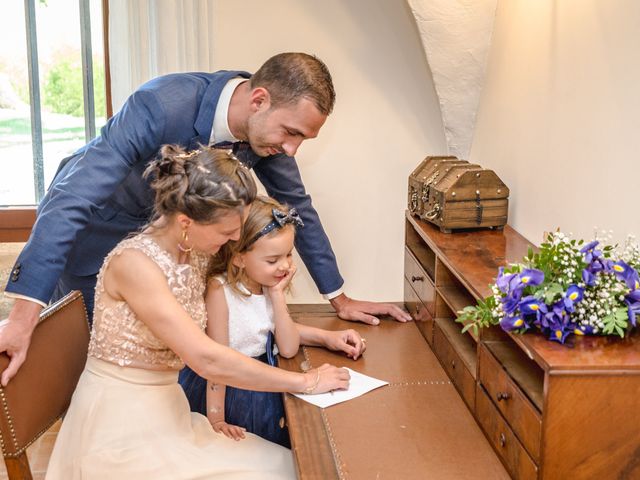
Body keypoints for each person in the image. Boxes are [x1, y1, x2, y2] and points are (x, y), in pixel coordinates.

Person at [0, 51, 410, 387]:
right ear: (259, 100)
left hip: (169, 257)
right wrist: (22, 317)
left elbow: (296, 206)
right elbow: (71, 196)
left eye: (302, 138)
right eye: (291, 133)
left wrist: (338, 297)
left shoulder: (266, 138)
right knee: (97, 368)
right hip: (98, 237)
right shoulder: (162, 105)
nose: (293, 148)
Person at [45, 145, 351, 479]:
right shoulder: (134, 265)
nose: (236, 238)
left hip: (169, 412)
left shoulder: (196, 252)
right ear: (186, 222)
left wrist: (323, 335)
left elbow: (250, 315)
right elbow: (208, 360)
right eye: (227, 232)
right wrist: (305, 382)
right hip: (121, 431)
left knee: (291, 465)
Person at [180, 196, 367, 448]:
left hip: (265, 374)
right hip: (233, 387)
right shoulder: (220, 291)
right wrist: (216, 420)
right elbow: (217, 362)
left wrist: (325, 335)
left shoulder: (267, 283)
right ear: (239, 258)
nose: (285, 266)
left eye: (288, 254)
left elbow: (285, 345)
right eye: (272, 260)